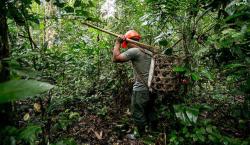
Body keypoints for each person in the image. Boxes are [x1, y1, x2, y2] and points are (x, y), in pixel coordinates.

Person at [112, 30, 157, 138]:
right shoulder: (148, 51)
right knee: (149, 109)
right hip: (152, 88)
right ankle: (152, 131)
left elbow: (116, 58)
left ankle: (140, 134)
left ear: (127, 42)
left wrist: (117, 43)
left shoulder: (134, 51)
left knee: (137, 111)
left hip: (141, 89)